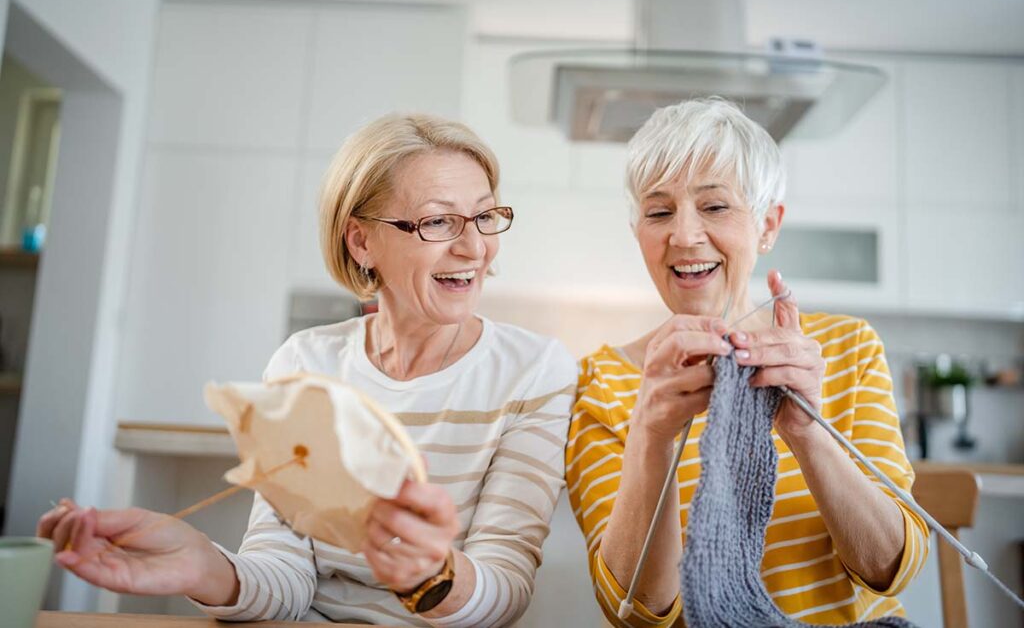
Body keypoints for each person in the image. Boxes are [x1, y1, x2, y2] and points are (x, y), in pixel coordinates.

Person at [38, 113, 576, 626]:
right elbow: (285, 580)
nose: (475, 246)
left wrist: (433, 576)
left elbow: (505, 593)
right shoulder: (305, 364)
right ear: (362, 240)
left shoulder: (534, 371)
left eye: (485, 216)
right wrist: (200, 564)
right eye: (438, 221)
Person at [566, 98, 929, 626]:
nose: (685, 235)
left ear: (767, 225)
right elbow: (635, 615)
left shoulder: (844, 349)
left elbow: (892, 568)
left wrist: (808, 432)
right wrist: (651, 435)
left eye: (715, 207)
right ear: (637, 233)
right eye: (659, 211)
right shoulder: (604, 384)